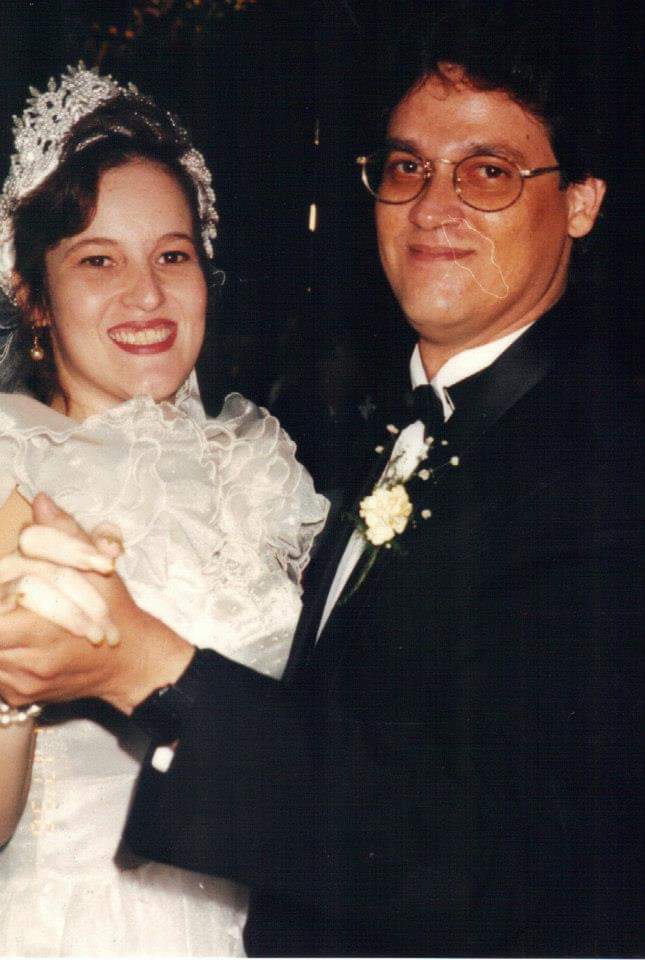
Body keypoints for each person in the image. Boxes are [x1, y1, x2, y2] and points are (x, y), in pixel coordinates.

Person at [0, 24, 641, 958]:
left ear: (580, 202)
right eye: (408, 167)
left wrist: (144, 669)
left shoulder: (602, 465)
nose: (434, 207)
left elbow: (508, 852)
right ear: (33, 294)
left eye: (488, 172)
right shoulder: (376, 440)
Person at [0, 65, 327, 957]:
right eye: (97, 260)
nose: (146, 295)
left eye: (172, 256)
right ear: (33, 297)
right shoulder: (13, 473)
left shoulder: (260, 467)